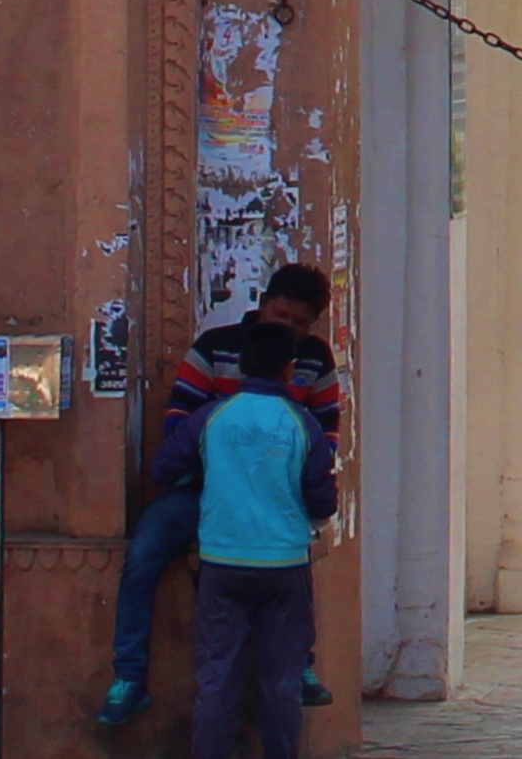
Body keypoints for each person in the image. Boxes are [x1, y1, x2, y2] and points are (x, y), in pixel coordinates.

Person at [96, 266, 342, 730]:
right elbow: (177, 423)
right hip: (201, 492)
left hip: (273, 498)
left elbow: (325, 434)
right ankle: (129, 678)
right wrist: (227, 468)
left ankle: (301, 662)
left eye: (299, 323)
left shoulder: (315, 360)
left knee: (294, 550)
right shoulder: (215, 346)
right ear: (263, 302)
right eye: (280, 314)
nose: (286, 328)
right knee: (143, 556)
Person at [150, 319, 337, 759]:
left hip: (221, 562)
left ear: (240, 369)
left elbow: (163, 469)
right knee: (282, 683)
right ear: (288, 370)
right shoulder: (301, 423)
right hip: (285, 567)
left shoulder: (212, 417)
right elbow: (323, 500)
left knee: (217, 681)